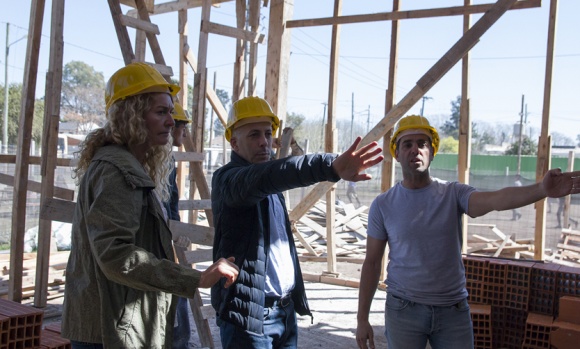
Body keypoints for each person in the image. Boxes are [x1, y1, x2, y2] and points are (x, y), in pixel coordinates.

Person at [356, 114, 580, 349]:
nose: (416, 150)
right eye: (408, 144)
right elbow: (372, 263)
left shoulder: (453, 194)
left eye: (422, 144)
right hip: (403, 309)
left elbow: (496, 199)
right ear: (397, 153)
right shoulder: (383, 205)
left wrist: (541, 189)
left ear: (432, 152)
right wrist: (362, 319)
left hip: (452, 311)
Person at [61, 62, 239, 348]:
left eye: (170, 112)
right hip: (110, 330)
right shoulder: (117, 171)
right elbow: (115, 255)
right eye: (161, 112)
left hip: (112, 323)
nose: (171, 121)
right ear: (130, 115)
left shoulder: (121, 163)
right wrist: (196, 278)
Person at [211, 96, 384, 348]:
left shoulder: (272, 185)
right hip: (249, 317)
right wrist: (330, 166)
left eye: (268, 134)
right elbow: (268, 176)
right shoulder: (228, 179)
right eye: (254, 135)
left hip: (284, 312)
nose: (264, 142)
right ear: (234, 143)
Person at [164, 102, 194, 348]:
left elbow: (171, 204)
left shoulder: (167, 161)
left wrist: (178, 233)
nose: (183, 135)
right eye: (182, 129)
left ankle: (180, 340)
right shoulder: (155, 160)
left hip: (167, 237)